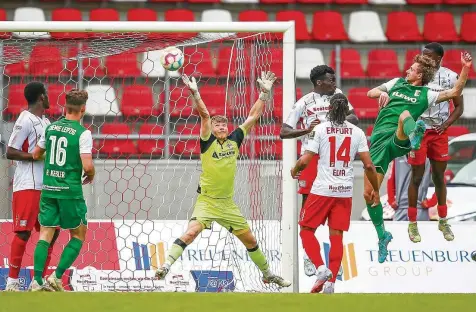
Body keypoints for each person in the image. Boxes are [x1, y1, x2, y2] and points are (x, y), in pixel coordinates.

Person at [155, 72, 291, 288]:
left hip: (227, 204)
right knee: (191, 232)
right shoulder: (207, 142)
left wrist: (264, 94)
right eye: (217, 125)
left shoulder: (234, 140)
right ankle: (165, 266)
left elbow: (252, 117)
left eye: (223, 125)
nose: (221, 127)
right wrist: (196, 94)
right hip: (207, 202)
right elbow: (204, 116)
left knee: (251, 241)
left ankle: (267, 274)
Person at [365, 52, 472, 263]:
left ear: (420, 75)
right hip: (378, 143)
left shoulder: (426, 94)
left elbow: (455, 91)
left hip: (399, 139)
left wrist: (466, 67)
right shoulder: (396, 83)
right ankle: (382, 236)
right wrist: (381, 93)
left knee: (405, 115)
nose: (407, 71)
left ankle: (415, 136)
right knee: (370, 195)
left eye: (412, 69)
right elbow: (370, 92)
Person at [291, 94, 380, 294]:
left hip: (322, 189)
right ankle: (331, 284)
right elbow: (369, 166)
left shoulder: (320, 129)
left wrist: (294, 169)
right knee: (336, 236)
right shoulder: (357, 132)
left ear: (329, 109)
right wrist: (375, 189)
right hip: (344, 191)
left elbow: (306, 159)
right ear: (347, 110)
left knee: (306, 230)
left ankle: (321, 268)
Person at [280, 65, 358, 277]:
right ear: (319, 83)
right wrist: (307, 130)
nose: (335, 83)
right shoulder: (303, 103)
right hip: (311, 157)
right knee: (308, 209)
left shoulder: (339, 96)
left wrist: (328, 125)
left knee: (336, 211)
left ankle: (334, 258)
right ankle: (310, 257)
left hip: (332, 159)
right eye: (331, 80)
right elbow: (284, 132)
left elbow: (354, 118)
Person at [29, 89, 94, 291]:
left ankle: (37, 281)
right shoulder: (83, 133)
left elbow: (36, 154)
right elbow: (88, 166)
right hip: (69, 191)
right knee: (78, 235)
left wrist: (52, 163)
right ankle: (56, 277)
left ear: (65, 107)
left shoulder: (51, 128)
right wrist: (91, 175)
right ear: (83, 109)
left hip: (48, 189)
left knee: (45, 234)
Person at [407, 43, 464, 242]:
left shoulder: (450, 77)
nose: (424, 59)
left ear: (439, 59)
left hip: (439, 132)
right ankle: (412, 223)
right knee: (416, 177)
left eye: (429, 56)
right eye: (423, 55)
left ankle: (443, 220)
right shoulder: (416, 74)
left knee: (439, 176)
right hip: (419, 131)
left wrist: (447, 124)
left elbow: (459, 107)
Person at [5, 82, 60, 291]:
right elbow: (10, 151)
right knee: (23, 233)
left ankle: (38, 282)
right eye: (47, 94)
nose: (49, 97)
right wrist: (34, 156)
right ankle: (12, 282)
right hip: (28, 184)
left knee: (52, 232)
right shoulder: (25, 119)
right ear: (41, 98)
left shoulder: (46, 121)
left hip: (47, 187)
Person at [387, 156, 432, 222]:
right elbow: (391, 180)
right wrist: (391, 199)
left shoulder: (428, 158)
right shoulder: (397, 157)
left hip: (419, 208)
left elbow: (440, 179)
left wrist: (431, 202)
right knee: (397, 232)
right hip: (400, 207)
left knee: (420, 232)